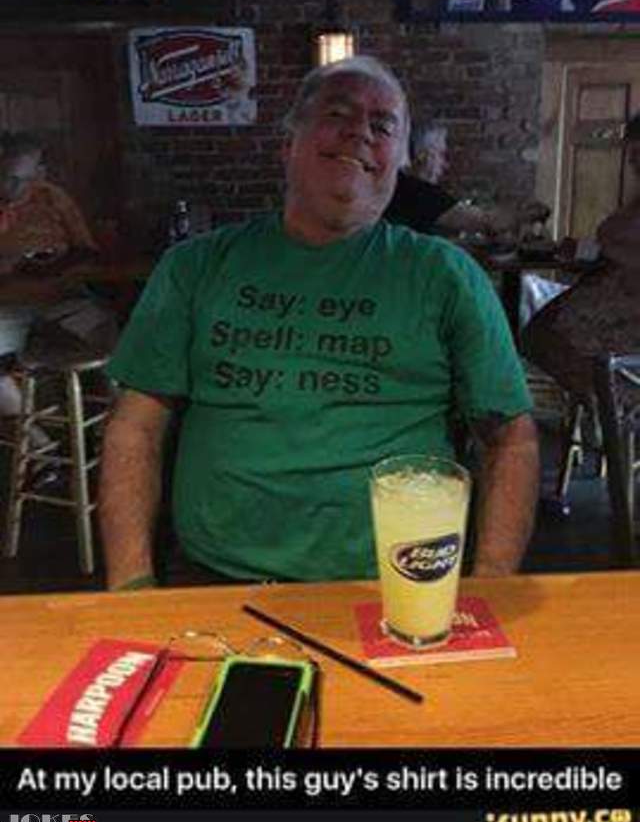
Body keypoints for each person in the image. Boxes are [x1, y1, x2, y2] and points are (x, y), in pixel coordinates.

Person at [99, 55, 539, 591]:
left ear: (400, 161)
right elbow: (136, 426)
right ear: (289, 144)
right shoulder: (194, 266)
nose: (361, 132)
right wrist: (131, 585)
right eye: (338, 114)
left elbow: (511, 439)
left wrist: (492, 581)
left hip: (401, 583)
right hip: (214, 579)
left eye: (383, 125)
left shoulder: (447, 274)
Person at [0, 132, 118, 477]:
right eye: (7, 178)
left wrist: (54, 263)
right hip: (9, 308)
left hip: (63, 299)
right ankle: (42, 452)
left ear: (40, 174)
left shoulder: (53, 198)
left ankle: (109, 438)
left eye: (22, 179)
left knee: (112, 339)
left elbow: (86, 250)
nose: (12, 187)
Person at [522, 112, 640, 400]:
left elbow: (619, 241)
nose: (632, 161)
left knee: (544, 336)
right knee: (537, 331)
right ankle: (601, 407)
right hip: (609, 299)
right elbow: (612, 245)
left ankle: (612, 405)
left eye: (638, 153)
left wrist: (603, 250)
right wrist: (582, 251)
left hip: (628, 318)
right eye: (631, 153)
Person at [384, 121, 456, 233]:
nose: (445, 165)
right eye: (441, 155)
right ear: (421, 155)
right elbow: (479, 220)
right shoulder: (410, 190)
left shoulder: (395, 184)